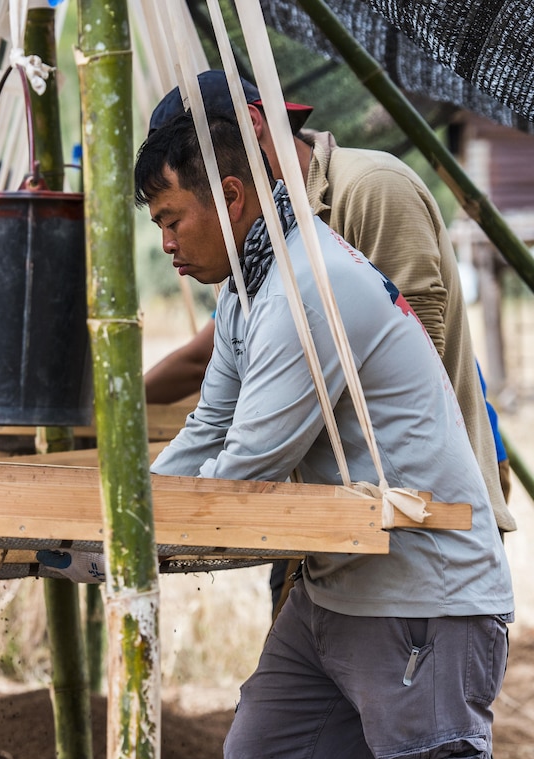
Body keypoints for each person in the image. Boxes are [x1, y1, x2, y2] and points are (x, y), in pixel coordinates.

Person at [136, 111, 513, 759]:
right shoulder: (246, 291)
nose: (165, 241)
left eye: (171, 218)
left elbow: (247, 466)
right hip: (337, 588)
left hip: (421, 593)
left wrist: (131, 537)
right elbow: (209, 427)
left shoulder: (306, 286)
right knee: (264, 757)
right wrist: (133, 511)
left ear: (230, 196)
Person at [143, 72, 516, 539]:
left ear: (249, 130)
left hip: (426, 505)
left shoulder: (371, 188)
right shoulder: (253, 251)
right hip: (329, 498)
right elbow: (226, 372)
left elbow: (421, 353)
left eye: (195, 156)